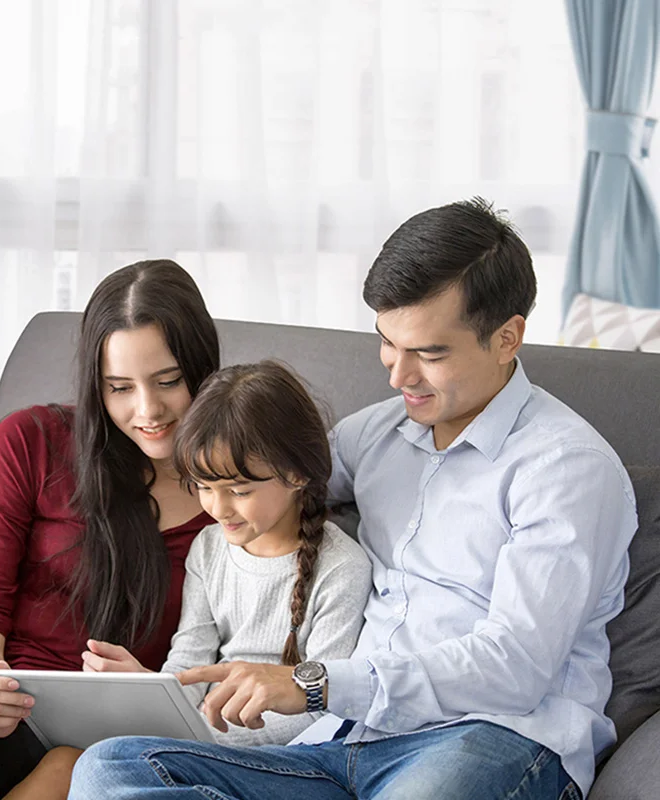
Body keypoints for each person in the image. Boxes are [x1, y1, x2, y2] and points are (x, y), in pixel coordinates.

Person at [67, 198, 638, 800]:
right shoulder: (380, 434)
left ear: (507, 338)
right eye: (388, 342)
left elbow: (515, 668)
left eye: (430, 353)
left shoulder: (568, 469)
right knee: (110, 769)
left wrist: (313, 684)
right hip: (342, 745)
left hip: (490, 739)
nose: (398, 374)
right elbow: (260, 484)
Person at [0, 259, 220, 800]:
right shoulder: (32, 439)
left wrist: (147, 687)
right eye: (119, 388)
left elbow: (225, 661)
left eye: (168, 381)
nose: (147, 410)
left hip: (84, 729)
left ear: (202, 366)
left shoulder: (236, 494)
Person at [3, 360, 372, 799]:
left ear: (296, 475)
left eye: (238, 491)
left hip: (274, 758)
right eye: (202, 485)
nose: (218, 508)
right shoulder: (210, 547)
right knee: (65, 759)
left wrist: (199, 737)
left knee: (101, 767)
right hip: (197, 738)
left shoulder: (342, 568)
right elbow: (190, 661)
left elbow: (317, 710)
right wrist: (150, 688)